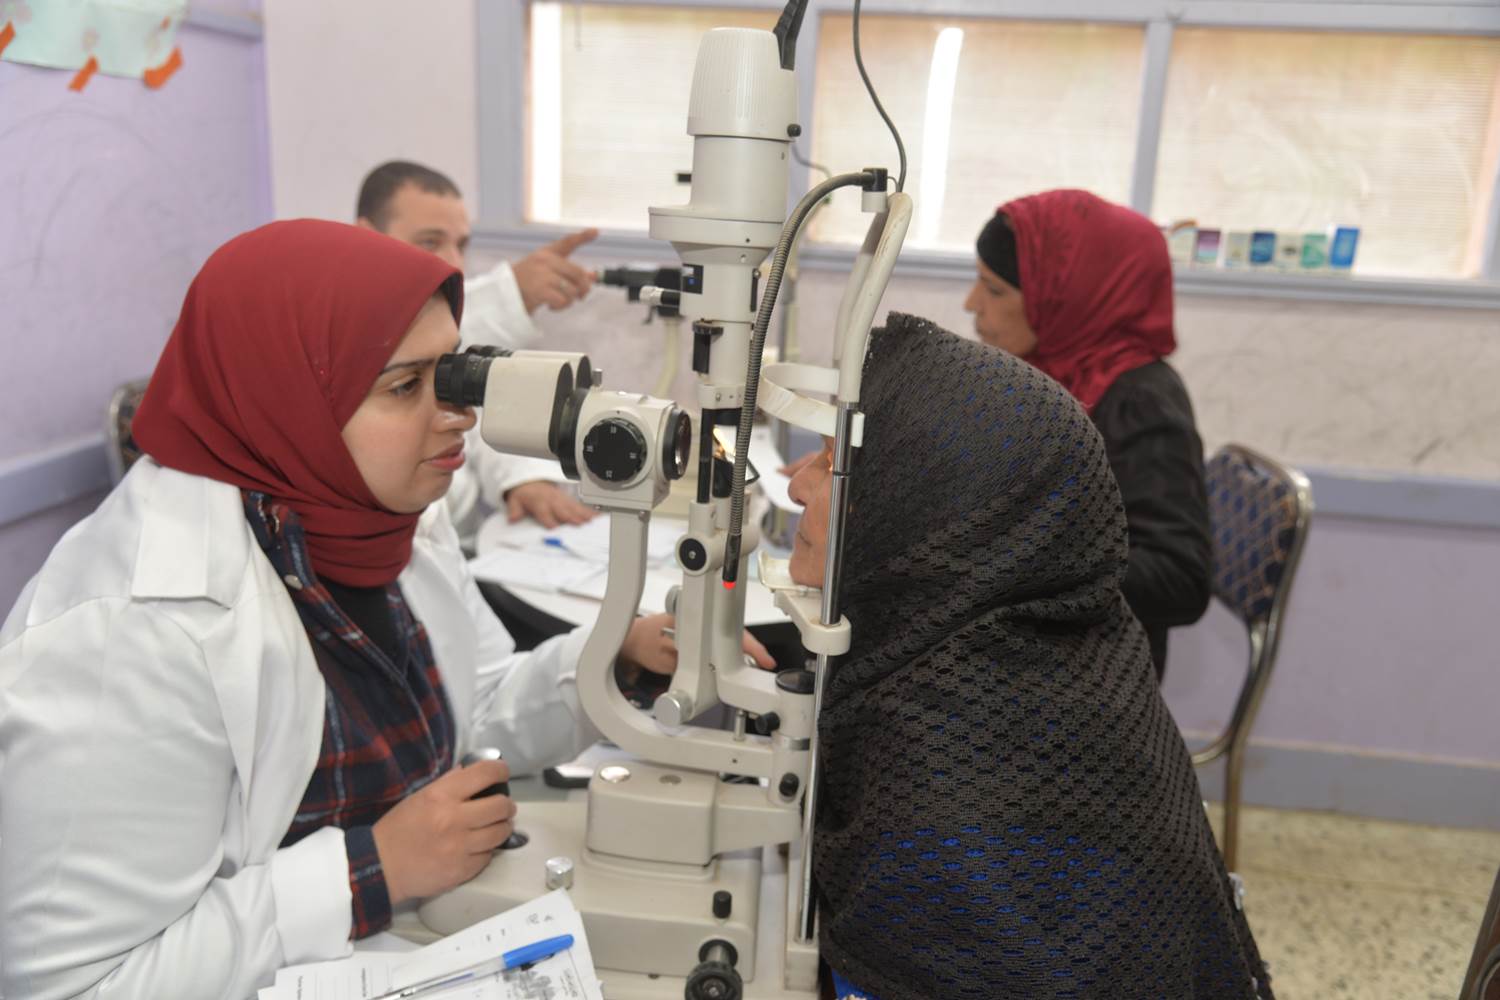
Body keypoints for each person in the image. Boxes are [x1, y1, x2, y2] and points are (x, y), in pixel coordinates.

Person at [0, 220, 772, 998]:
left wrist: (616, 656)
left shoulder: (377, 520)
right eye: (406, 387)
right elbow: (71, 986)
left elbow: (472, 708)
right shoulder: (125, 638)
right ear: (288, 398)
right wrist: (367, 871)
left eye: (455, 373)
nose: (458, 414)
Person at [787, 313, 1271, 999]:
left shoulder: (942, 818)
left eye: (832, 464)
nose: (798, 486)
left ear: (923, 516)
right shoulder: (1032, 667)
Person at [963, 189, 1212, 680]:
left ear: (1062, 299)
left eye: (994, 290)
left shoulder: (1139, 402)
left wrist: (1021, 564)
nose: (972, 304)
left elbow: (1180, 577)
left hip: (1089, 679)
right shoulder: (1045, 373)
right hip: (1038, 646)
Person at [356, 159, 597, 530]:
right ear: (366, 236)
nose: (454, 263)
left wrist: (523, 479)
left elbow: (476, 408)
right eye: (430, 242)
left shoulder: (439, 319)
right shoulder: (341, 338)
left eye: (461, 245)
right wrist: (511, 293)